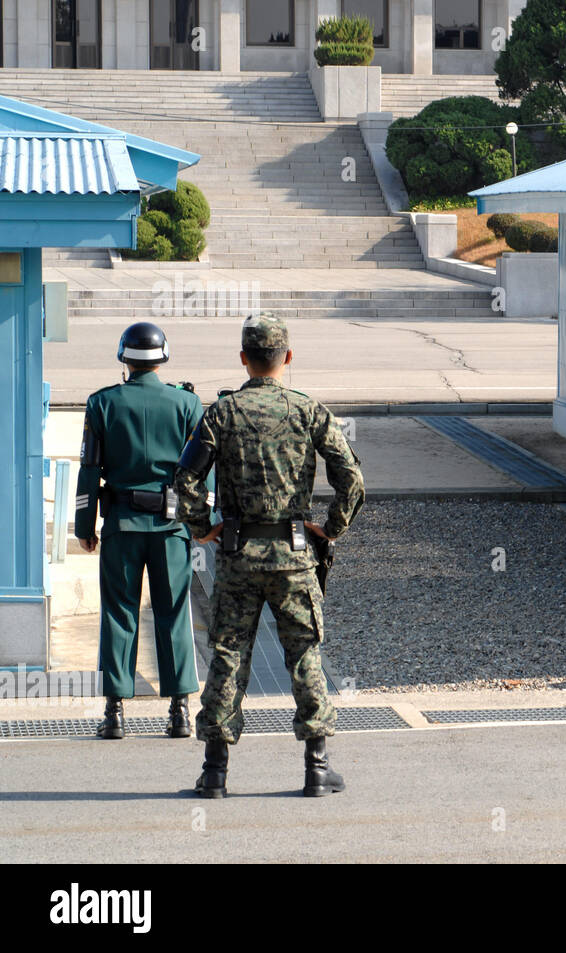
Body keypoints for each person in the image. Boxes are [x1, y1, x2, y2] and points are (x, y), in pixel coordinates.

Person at [174, 314, 364, 798]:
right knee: (304, 653)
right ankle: (317, 767)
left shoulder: (221, 413)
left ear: (244, 358)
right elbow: (352, 478)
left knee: (227, 653)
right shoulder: (310, 411)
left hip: (238, 554)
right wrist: (332, 527)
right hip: (294, 553)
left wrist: (202, 528)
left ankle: (215, 771)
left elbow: (186, 480)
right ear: (288, 357)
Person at [75, 322, 205, 740]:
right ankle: (180, 710)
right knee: (173, 614)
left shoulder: (102, 404)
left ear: (124, 357)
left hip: (121, 526)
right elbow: (203, 474)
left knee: (119, 614)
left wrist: (84, 525)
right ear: (163, 356)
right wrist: (202, 524)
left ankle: (115, 713)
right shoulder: (187, 405)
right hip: (170, 529)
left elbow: (88, 472)